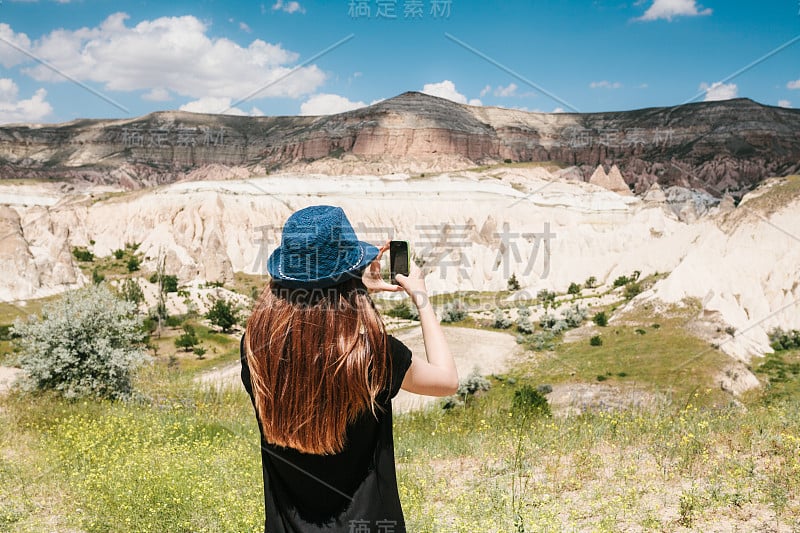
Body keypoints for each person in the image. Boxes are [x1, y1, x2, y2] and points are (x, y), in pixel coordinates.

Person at [241, 205, 458, 532]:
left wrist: (350, 283)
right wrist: (422, 299)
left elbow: (312, 319)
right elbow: (447, 380)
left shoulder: (256, 351)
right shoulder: (373, 357)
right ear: (349, 280)